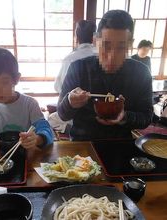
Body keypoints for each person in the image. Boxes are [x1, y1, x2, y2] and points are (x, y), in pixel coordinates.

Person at [57, 10, 153, 141]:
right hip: (83, 143)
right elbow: (62, 114)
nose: (112, 57)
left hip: (120, 144)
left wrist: (124, 116)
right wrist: (70, 102)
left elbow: (147, 117)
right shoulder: (78, 67)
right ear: (96, 40)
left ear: (130, 44)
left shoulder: (141, 72)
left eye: (121, 47)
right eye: (106, 46)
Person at [0, 47, 53, 166]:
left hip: (25, 156)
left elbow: (46, 130)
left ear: (16, 79)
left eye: (4, 82)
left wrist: (37, 139)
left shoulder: (29, 104)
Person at [54, 20, 97, 93]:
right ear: (94, 37)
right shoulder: (101, 57)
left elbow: (58, 87)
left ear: (76, 38)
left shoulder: (69, 59)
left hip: (73, 102)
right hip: (99, 101)